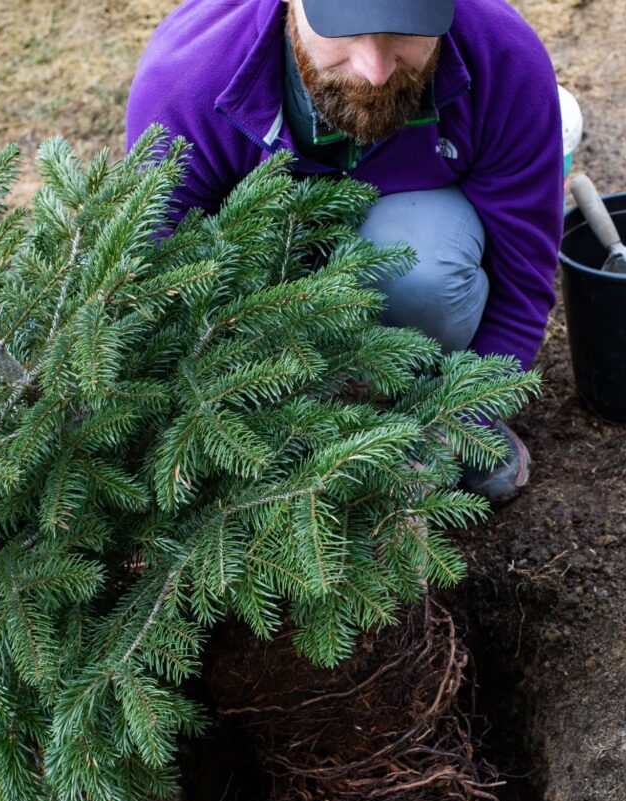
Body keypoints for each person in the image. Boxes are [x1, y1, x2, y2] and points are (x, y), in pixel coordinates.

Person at [126, 0, 564, 502]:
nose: (375, 71)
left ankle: (425, 396)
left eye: (406, 31)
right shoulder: (188, 80)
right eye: (345, 33)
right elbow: (163, 290)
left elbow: (522, 281)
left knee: (426, 275)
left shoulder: (504, 60)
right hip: (261, 290)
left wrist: (464, 417)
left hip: (412, 246)